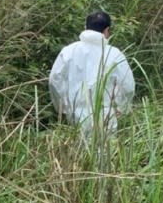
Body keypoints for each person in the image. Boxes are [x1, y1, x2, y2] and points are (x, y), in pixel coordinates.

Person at [49, 10, 135, 139]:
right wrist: (122, 108)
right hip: (105, 114)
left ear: (85, 27)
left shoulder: (68, 51)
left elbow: (54, 80)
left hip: (76, 114)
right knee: (106, 155)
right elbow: (128, 86)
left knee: (77, 155)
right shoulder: (114, 54)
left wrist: (64, 108)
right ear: (107, 30)